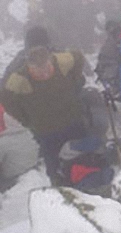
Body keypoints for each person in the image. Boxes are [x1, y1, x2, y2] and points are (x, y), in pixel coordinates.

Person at [0, 46, 87, 185]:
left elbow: (78, 57)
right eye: (39, 71)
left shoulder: (61, 62)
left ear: (50, 61)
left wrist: (75, 81)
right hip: (46, 129)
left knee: (81, 153)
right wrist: (26, 119)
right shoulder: (19, 79)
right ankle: (59, 187)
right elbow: (6, 100)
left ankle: (85, 181)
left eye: (47, 68)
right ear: (29, 67)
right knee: (53, 161)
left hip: (72, 118)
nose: (45, 74)